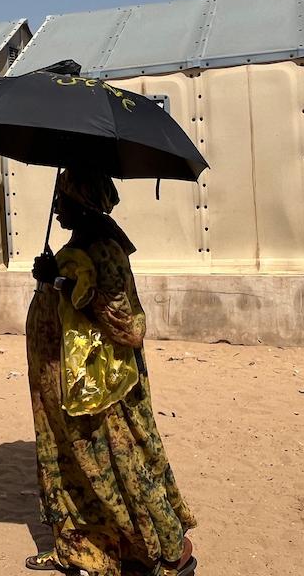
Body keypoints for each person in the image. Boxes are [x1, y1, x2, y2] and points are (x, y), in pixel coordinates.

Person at [25, 168, 196, 576]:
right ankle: (82, 547)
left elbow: (128, 325)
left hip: (101, 387)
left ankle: (167, 551)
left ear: (82, 203)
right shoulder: (80, 243)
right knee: (71, 462)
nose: (56, 208)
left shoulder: (105, 250)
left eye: (62, 200)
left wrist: (62, 283)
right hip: (63, 380)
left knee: (119, 462)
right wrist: (49, 277)